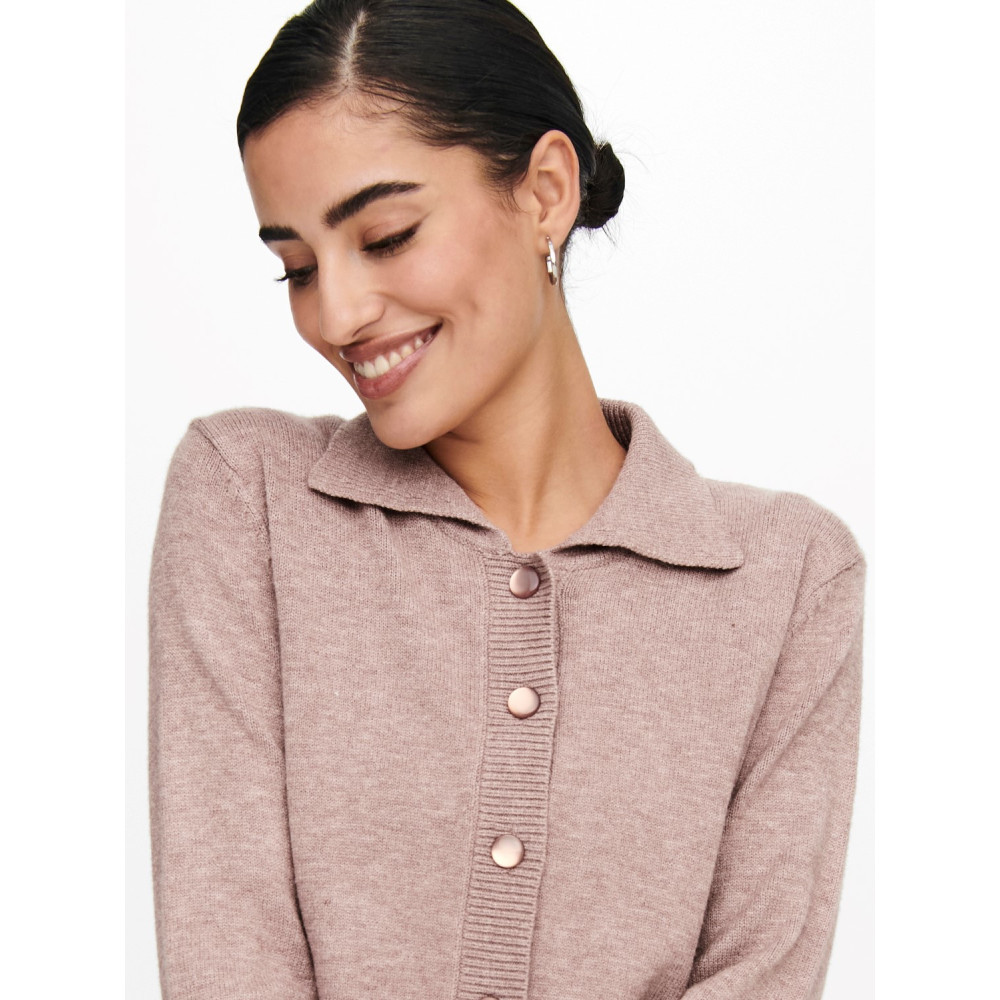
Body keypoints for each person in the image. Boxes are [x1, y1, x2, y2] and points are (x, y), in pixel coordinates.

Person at [148, 1, 865, 998]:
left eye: (386, 236)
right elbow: (227, 954)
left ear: (545, 194)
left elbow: (763, 973)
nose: (337, 314)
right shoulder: (249, 498)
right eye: (297, 269)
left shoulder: (786, 578)